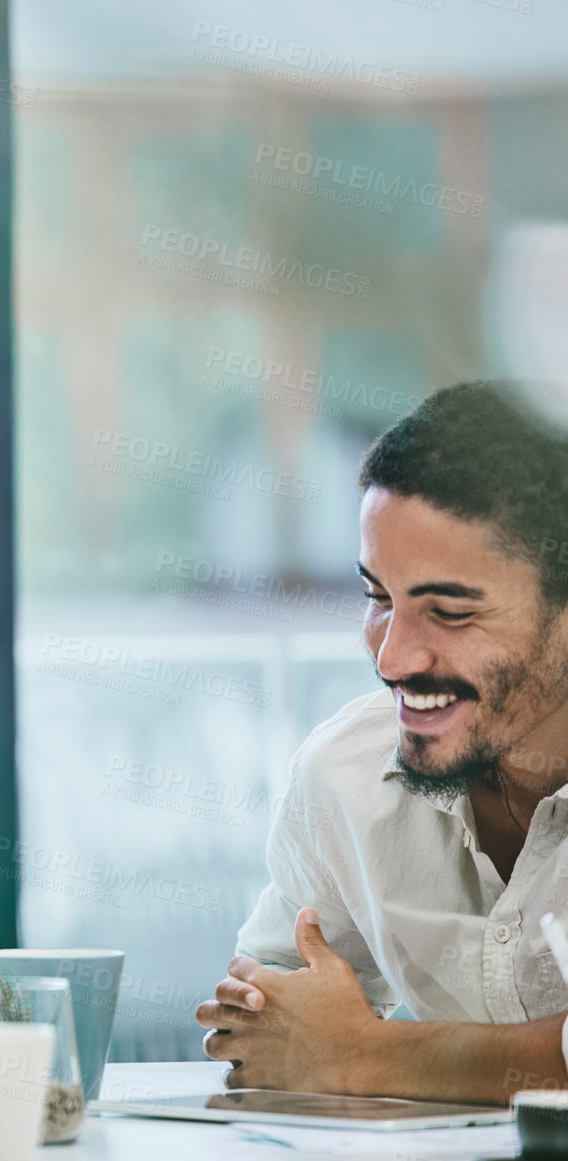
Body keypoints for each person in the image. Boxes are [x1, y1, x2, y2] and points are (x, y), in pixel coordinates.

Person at [198, 380, 568, 1103]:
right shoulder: (348, 772)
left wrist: (374, 1056)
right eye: (378, 597)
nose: (392, 658)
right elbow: (267, 1027)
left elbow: (335, 1051)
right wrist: (291, 1032)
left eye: (450, 610)